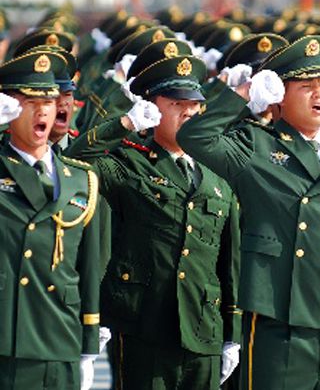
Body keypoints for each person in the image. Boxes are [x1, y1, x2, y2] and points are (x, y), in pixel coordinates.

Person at [176, 35, 320, 390]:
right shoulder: (256, 146)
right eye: (306, 87)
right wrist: (243, 94)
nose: (319, 95)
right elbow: (195, 136)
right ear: (280, 95)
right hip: (279, 318)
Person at [67, 49, 242, 390]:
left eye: (194, 104)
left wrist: (231, 334)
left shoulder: (217, 170)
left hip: (203, 329)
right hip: (144, 328)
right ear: (152, 108)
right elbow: (75, 162)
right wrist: (124, 124)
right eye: (176, 103)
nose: (188, 111)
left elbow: (228, 261)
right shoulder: (130, 163)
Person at [0, 50, 101, 389]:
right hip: (7, 342)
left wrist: (88, 346)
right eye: (30, 102)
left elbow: (87, 271)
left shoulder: (81, 180)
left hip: (59, 340)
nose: (43, 110)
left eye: (49, 101)